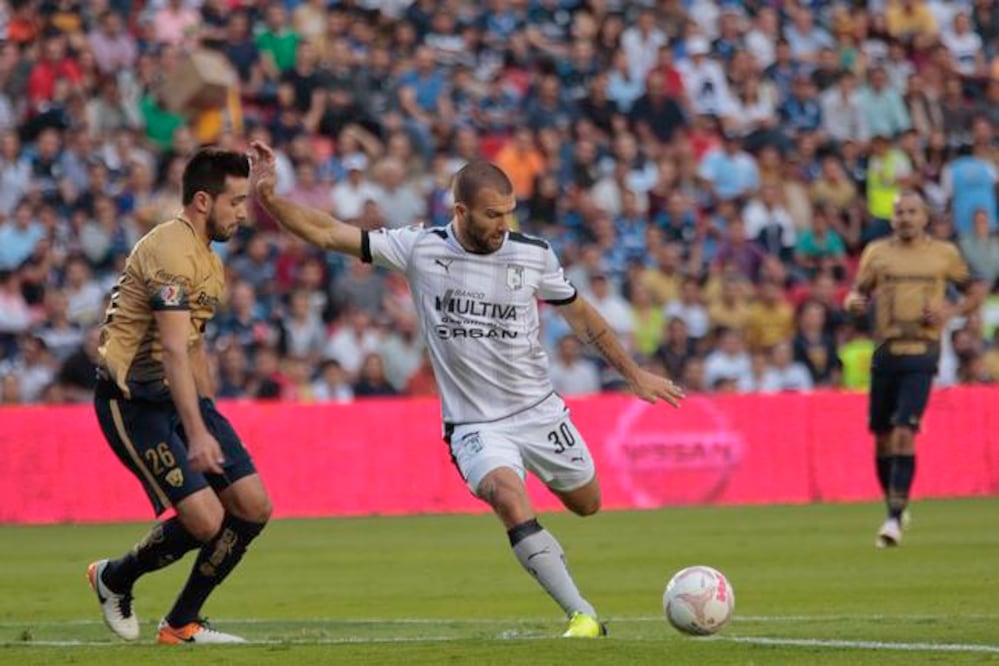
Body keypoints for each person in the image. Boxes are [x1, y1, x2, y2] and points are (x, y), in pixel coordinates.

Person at [248, 141, 684, 638]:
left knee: (587, 503)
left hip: (539, 411)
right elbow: (328, 232)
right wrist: (270, 198)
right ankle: (581, 614)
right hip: (475, 424)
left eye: (509, 212)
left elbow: (580, 314)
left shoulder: (534, 254)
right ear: (460, 211)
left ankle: (560, 568)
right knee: (508, 497)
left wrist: (633, 373)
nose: (504, 224)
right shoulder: (421, 248)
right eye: (493, 214)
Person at [87, 148, 272, 644]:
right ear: (203, 201)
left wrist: (208, 417)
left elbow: (193, 347)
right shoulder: (169, 249)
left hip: (178, 396)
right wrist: (197, 434)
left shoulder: (210, 262)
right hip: (133, 401)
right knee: (206, 520)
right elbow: (170, 348)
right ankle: (114, 578)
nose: (243, 213)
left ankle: (181, 622)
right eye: (236, 202)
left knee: (253, 505)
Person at [844, 190, 981, 548]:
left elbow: (974, 291)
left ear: (924, 217)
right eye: (899, 212)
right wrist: (854, 303)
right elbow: (855, 294)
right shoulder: (877, 253)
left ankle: (893, 517)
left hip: (922, 351)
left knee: (905, 431)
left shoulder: (944, 254)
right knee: (882, 437)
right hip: (884, 351)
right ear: (892, 218)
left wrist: (950, 311)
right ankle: (894, 502)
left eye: (911, 212)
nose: (905, 218)